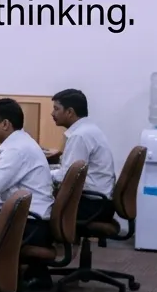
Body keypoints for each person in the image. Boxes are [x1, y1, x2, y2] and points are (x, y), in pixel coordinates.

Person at [0, 98, 54, 227]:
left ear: (5, 124)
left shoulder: (16, 149)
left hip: (29, 223)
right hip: (27, 217)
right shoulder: (19, 142)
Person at [48, 88, 116, 222]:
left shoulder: (79, 136)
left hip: (91, 205)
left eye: (56, 109)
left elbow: (66, 177)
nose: (52, 113)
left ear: (69, 112)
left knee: (39, 206)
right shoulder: (89, 129)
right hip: (100, 202)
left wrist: (44, 173)